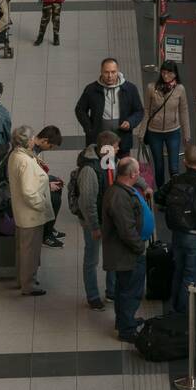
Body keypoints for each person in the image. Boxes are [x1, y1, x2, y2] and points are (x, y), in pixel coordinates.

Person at [155, 143, 196, 314]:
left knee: (178, 269)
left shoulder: (175, 180)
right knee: (190, 276)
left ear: (184, 161)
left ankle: (174, 307)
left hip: (177, 233)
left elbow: (158, 197)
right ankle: (183, 311)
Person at [102, 156, 151, 342]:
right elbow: (126, 230)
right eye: (138, 171)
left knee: (124, 289)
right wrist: (140, 247)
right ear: (131, 174)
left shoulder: (118, 190)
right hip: (127, 254)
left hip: (124, 253)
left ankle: (124, 321)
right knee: (130, 291)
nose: (139, 174)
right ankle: (127, 329)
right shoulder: (119, 197)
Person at [8, 124, 55, 296]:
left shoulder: (15, 155)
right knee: (30, 251)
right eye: (32, 137)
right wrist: (41, 205)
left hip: (21, 212)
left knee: (22, 249)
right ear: (27, 141)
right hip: (31, 214)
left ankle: (21, 280)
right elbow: (28, 191)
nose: (34, 139)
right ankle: (29, 284)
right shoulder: (25, 161)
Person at [75, 129, 119, 309]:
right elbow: (87, 202)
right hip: (93, 222)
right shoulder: (89, 171)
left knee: (112, 256)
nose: (118, 150)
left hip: (109, 218)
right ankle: (93, 296)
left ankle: (112, 291)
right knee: (91, 259)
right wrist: (94, 227)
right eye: (115, 147)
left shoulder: (108, 161)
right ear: (106, 148)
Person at [75, 57, 144, 153]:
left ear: (118, 71)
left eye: (113, 72)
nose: (110, 76)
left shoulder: (130, 89)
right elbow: (80, 109)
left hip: (122, 138)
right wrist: (89, 128)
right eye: (106, 72)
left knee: (122, 166)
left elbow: (139, 111)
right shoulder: (91, 89)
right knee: (100, 165)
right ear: (101, 72)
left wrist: (130, 122)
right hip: (98, 139)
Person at [141, 61, 190, 188]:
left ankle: (175, 193)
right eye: (163, 72)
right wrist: (141, 132)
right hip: (154, 132)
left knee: (174, 166)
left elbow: (184, 110)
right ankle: (161, 193)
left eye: (169, 73)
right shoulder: (152, 88)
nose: (166, 75)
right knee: (159, 165)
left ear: (175, 74)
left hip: (173, 131)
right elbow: (146, 110)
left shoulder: (180, 89)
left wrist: (186, 133)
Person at [33, 125, 66, 248]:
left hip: (36, 179)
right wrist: (47, 185)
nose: (50, 149)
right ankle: (46, 236)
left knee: (57, 183)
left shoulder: (36, 147)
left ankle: (49, 227)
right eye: (50, 146)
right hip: (30, 186)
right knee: (54, 198)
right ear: (44, 140)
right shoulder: (31, 151)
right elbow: (28, 178)